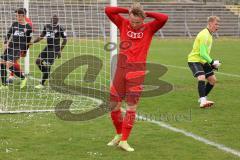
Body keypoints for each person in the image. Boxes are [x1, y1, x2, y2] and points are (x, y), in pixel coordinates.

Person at [105, 3, 168, 152]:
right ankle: (119, 135)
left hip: (136, 73)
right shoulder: (123, 23)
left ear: (143, 20)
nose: (134, 24)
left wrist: (145, 13)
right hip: (120, 70)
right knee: (114, 106)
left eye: (138, 22)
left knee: (131, 107)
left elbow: (164, 17)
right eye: (132, 21)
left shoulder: (149, 28)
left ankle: (124, 141)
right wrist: (127, 11)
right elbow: (108, 10)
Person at [188, 16, 221, 108]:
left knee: (212, 80)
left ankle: (203, 97)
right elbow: (202, 53)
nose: (217, 26)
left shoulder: (209, 34)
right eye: (216, 24)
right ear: (210, 23)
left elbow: (204, 53)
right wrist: (212, 62)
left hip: (202, 61)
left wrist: (211, 63)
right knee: (201, 77)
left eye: (218, 24)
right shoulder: (204, 34)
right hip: (194, 60)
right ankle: (203, 101)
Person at [30, 14, 67, 89]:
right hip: (48, 47)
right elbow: (41, 37)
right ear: (51, 19)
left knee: (47, 65)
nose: (55, 20)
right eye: (53, 18)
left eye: (56, 19)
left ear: (58, 20)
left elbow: (65, 40)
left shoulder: (61, 28)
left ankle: (42, 83)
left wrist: (60, 50)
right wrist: (33, 42)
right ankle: (47, 74)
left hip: (55, 49)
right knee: (38, 61)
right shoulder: (47, 27)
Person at [0, 8, 32, 89]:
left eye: (18, 15)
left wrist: (25, 51)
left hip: (19, 49)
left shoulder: (28, 27)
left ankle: (23, 78)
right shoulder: (14, 24)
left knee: (8, 64)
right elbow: (8, 34)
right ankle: (4, 84)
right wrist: (5, 43)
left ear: (23, 16)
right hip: (10, 46)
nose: (16, 17)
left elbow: (28, 41)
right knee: (2, 63)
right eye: (16, 15)